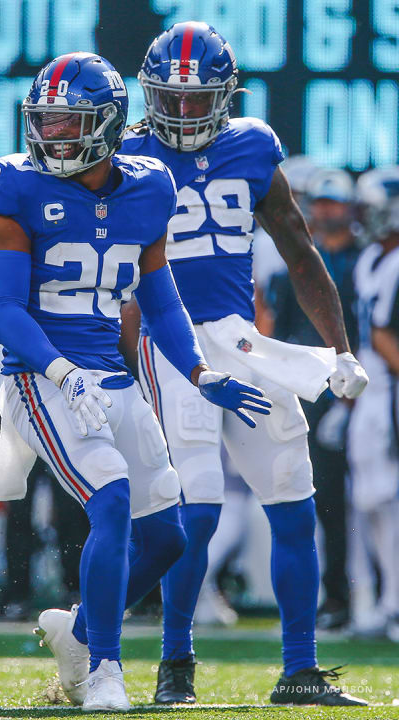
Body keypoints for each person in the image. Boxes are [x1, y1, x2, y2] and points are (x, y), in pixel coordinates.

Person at [0, 51, 269, 712]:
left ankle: (79, 635)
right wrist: (61, 372)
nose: (52, 135)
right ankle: (106, 670)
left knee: (167, 536)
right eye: (45, 122)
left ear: (107, 125)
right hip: (40, 377)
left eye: (68, 122)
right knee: (109, 497)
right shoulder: (13, 186)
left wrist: (199, 370)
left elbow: (161, 301)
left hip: (111, 378)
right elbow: (2, 310)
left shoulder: (148, 187)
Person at [120, 22, 369, 706]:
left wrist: (339, 347)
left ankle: (299, 668)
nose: (187, 111)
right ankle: (176, 662)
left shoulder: (255, 147)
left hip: (244, 341)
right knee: (196, 505)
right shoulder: (125, 155)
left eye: (201, 99)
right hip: (172, 342)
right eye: (175, 97)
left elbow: (299, 251)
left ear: (227, 96)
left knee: (293, 501)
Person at [265, 168, 362, 631]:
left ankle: (370, 596)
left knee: (370, 501)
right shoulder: (291, 266)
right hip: (309, 391)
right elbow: (280, 332)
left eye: (332, 202)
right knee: (317, 501)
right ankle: (336, 596)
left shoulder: (365, 260)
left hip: (360, 388)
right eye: (318, 203)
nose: (324, 211)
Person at [347, 167, 399, 642]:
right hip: (374, 390)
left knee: (384, 497)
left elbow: (385, 333)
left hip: (388, 391)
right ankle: (383, 603)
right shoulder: (372, 260)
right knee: (370, 499)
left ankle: (390, 603)